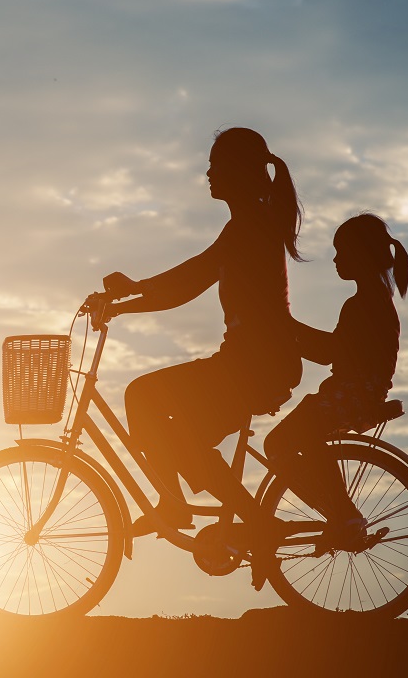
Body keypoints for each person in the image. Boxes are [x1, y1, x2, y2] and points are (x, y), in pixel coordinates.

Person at [101, 127, 303, 535]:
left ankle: (195, 511)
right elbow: (188, 284)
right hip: (251, 363)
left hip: (255, 366)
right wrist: (128, 300)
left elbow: (190, 278)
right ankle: (188, 508)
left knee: (144, 399)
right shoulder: (248, 224)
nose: (208, 174)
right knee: (172, 428)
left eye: (215, 166)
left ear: (237, 171)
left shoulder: (250, 227)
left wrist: (130, 294)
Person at [263, 213, 408, 552]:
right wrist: (290, 331)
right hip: (353, 393)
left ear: (361, 256)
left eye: (342, 252)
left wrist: (286, 326)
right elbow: (333, 352)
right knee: (287, 442)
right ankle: (338, 512)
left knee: (283, 442)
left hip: (351, 395)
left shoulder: (364, 304)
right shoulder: (374, 300)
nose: (335, 259)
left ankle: (340, 512)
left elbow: (329, 353)